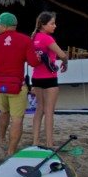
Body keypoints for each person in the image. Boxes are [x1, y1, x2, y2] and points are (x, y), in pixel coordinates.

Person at [0, 12, 40, 156]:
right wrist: (38, 56)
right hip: (16, 85)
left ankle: (1, 139)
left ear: (5, 26)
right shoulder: (25, 40)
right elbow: (33, 62)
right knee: (17, 119)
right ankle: (11, 151)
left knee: (4, 112)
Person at [31, 11, 69, 147]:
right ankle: (49, 142)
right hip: (49, 78)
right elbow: (62, 54)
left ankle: (35, 141)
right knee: (49, 111)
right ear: (43, 25)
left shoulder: (34, 38)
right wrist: (65, 62)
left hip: (36, 77)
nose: (55, 26)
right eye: (52, 23)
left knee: (39, 109)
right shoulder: (47, 38)